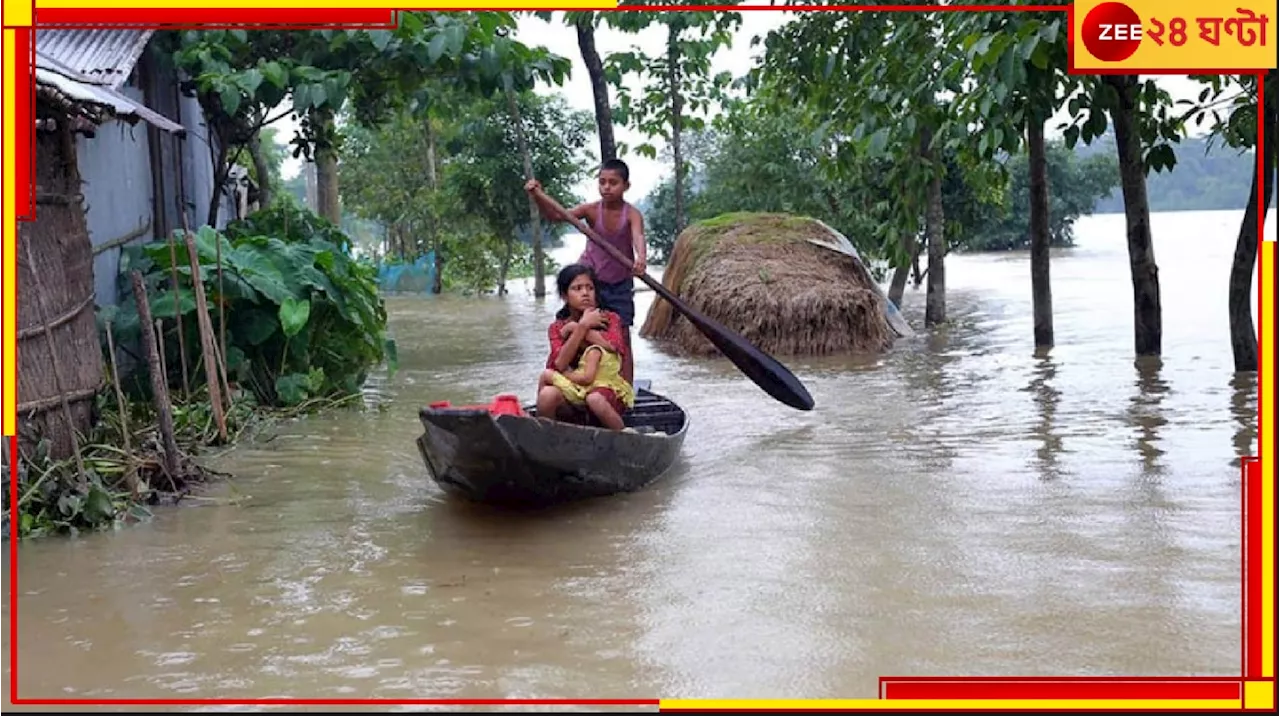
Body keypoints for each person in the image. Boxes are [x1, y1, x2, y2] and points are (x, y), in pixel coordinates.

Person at [524, 158, 647, 384]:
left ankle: (626, 390)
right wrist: (538, 196)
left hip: (620, 284)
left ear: (626, 186)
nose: (607, 187)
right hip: (592, 283)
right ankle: (577, 379)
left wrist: (641, 258)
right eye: (602, 182)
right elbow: (557, 216)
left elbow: (638, 236)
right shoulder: (591, 210)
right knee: (580, 331)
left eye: (613, 183)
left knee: (623, 339)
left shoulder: (631, 214)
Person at [537, 264, 635, 431]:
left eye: (590, 288)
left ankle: (625, 438)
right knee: (547, 395)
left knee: (595, 398)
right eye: (577, 288)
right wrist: (582, 327)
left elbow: (613, 347)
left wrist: (578, 329)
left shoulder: (611, 319)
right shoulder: (557, 327)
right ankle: (548, 442)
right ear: (564, 296)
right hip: (574, 393)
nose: (585, 293)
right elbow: (559, 364)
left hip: (605, 394)